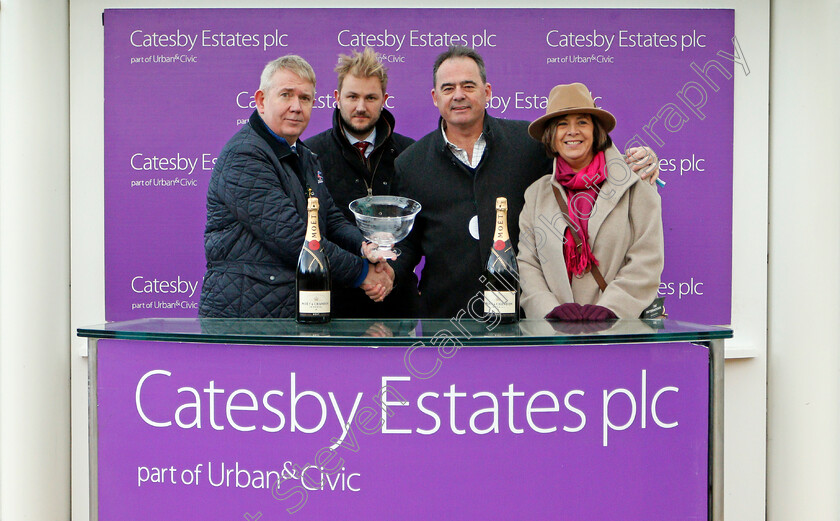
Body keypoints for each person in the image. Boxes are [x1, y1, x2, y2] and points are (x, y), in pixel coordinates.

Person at [391, 46, 659, 319]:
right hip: (447, 322)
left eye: (468, 85)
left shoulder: (529, 146)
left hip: (526, 324)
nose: (459, 95)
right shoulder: (410, 164)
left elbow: (583, 158)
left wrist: (637, 163)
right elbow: (407, 244)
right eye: (448, 88)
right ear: (435, 98)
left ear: (487, 92)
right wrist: (386, 274)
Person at [199, 54, 393, 318]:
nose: (296, 107)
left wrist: (364, 246)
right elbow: (293, 238)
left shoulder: (303, 155)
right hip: (247, 319)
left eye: (305, 98)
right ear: (261, 101)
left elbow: (330, 218)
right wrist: (361, 273)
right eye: (286, 95)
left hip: (288, 312)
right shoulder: (244, 155)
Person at [517, 83, 664, 321]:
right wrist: (549, 310)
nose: (572, 131)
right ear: (551, 136)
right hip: (555, 336)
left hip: (618, 332)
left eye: (582, 122)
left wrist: (612, 309)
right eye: (562, 124)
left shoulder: (636, 183)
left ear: (596, 131)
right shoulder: (536, 194)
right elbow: (528, 263)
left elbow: (647, 259)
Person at [306, 48, 420, 318]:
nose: (360, 107)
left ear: (384, 100)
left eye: (370, 98)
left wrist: (392, 273)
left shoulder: (410, 153)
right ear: (336, 98)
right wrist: (359, 273)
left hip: (397, 305)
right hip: (333, 306)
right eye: (352, 96)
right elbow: (315, 231)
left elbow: (418, 231)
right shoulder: (311, 155)